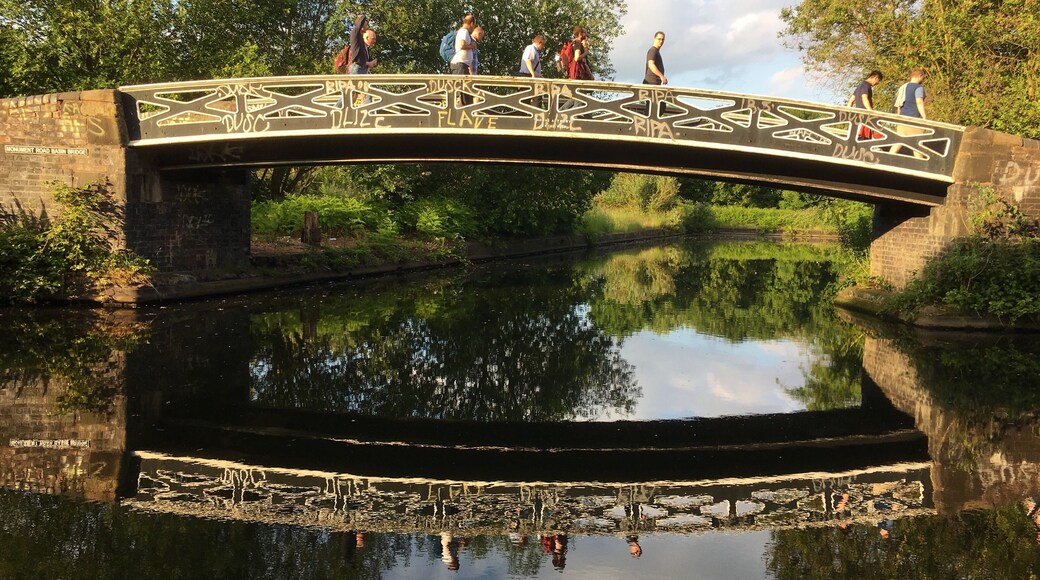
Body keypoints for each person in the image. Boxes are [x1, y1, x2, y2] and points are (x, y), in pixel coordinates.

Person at [892, 68, 928, 156]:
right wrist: (924, 117)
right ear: (920, 76)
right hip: (914, 119)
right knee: (918, 144)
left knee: (898, 142)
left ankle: (886, 159)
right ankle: (920, 165)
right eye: (923, 77)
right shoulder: (919, 88)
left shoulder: (903, 87)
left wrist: (898, 117)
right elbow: (919, 102)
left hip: (903, 117)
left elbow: (898, 104)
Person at [450, 14, 478, 105]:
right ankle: (461, 114)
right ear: (472, 23)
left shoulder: (462, 31)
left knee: (465, 93)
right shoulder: (464, 31)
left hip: (462, 65)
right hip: (460, 65)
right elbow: (462, 45)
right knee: (462, 93)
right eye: (474, 26)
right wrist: (472, 46)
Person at [848, 70, 883, 140]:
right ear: (876, 78)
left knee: (857, 137)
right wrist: (871, 112)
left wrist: (849, 113)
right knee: (864, 138)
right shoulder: (866, 86)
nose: (877, 83)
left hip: (857, 117)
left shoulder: (860, 85)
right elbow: (864, 98)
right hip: (864, 116)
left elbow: (851, 101)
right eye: (878, 81)